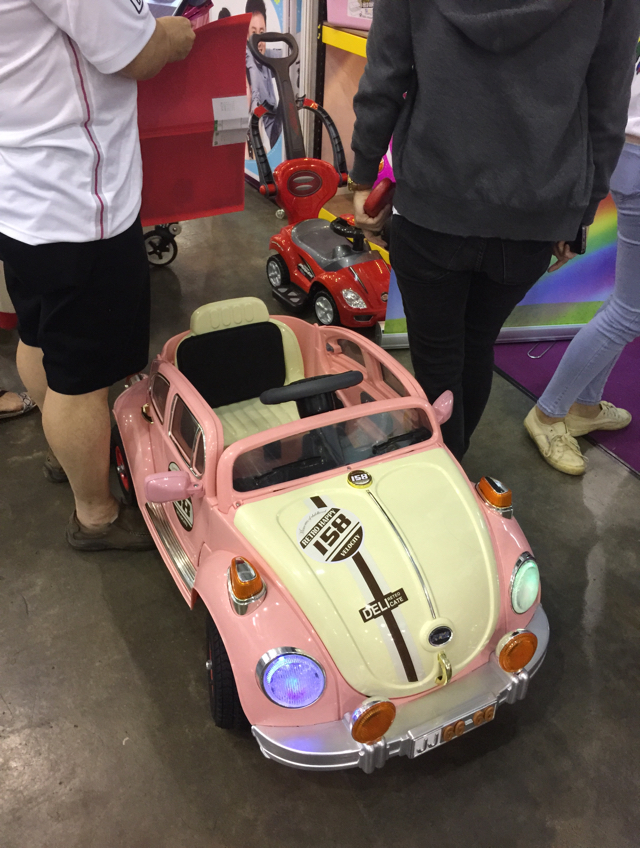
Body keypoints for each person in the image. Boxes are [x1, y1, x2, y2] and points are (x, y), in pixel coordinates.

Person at [350, 0, 640, 461]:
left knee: (438, 358)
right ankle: (453, 466)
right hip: (534, 212)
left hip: (432, 204)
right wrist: (580, 215)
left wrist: (364, 176)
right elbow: (607, 104)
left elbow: (385, 76)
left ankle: (445, 476)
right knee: (476, 343)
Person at [0, 1, 194, 550]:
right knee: (82, 380)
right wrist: (171, 35)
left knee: (40, 335)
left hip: (22, 194)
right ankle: (98, 516)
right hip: (79, 208)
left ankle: (66, 455)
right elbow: (138, 52)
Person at [524, 51, 640, 475]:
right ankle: (548, 415)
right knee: (629, 312)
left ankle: (584, 407)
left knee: (626, 306)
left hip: (629, 153)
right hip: (635, 157)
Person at [245, 0, 282, 150]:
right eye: (254, 33)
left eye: (262, 32)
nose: (259, 40)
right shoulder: (246, 61)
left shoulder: (266, 56)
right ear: (246, 34)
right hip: (258, 139)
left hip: (274, 134)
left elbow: (285, 55)